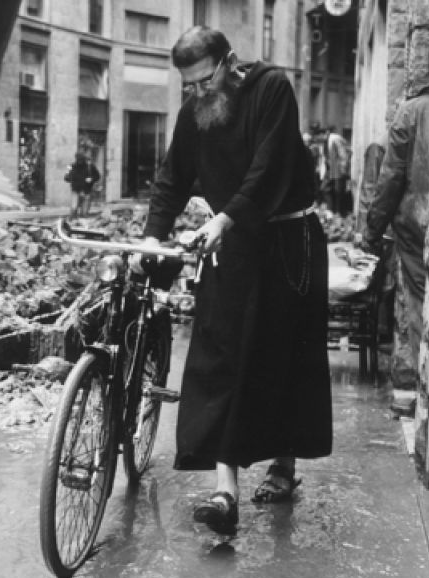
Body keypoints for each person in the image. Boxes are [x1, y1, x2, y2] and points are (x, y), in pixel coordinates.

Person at [135, 26, 332, 534]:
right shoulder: (194, 113)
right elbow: (172, 178)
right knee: (220, 359)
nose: (198, 93)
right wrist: (152, 238)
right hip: (232, 246)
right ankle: (225, 493)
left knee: (281, 358)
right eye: (190, 87)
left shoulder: (271, 89)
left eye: (204, 82)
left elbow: (269, 169)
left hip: (288, 242)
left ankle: (284, 468)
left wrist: (224, 219)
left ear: (227, 64)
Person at [361, 58, 429, 412]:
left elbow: (390, 178)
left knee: (424, 311)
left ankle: (428, 396)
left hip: (417, 229)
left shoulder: (410, 111)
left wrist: (372, 231)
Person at [325, 125, 351, 215]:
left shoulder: (334, 139)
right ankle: (335, 210)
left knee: (339, 191)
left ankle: (340, 211)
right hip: (334, 170)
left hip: (338, 170)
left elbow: (343, 153)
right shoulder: (330, 139)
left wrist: (344, 169)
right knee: (334, 190)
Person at [65, 152, 100, 217]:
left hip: (86, 191)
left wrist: (91, 179)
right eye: (78, 159)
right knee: (74, 209)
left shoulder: (90, 166)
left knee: (84, 213)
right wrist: (69, 177)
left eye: (81, 159)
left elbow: (97, 176)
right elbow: (66, 177)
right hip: (76, 190)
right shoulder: (71, 166)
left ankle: (82, 222)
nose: (80, 161)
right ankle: (73, 222)